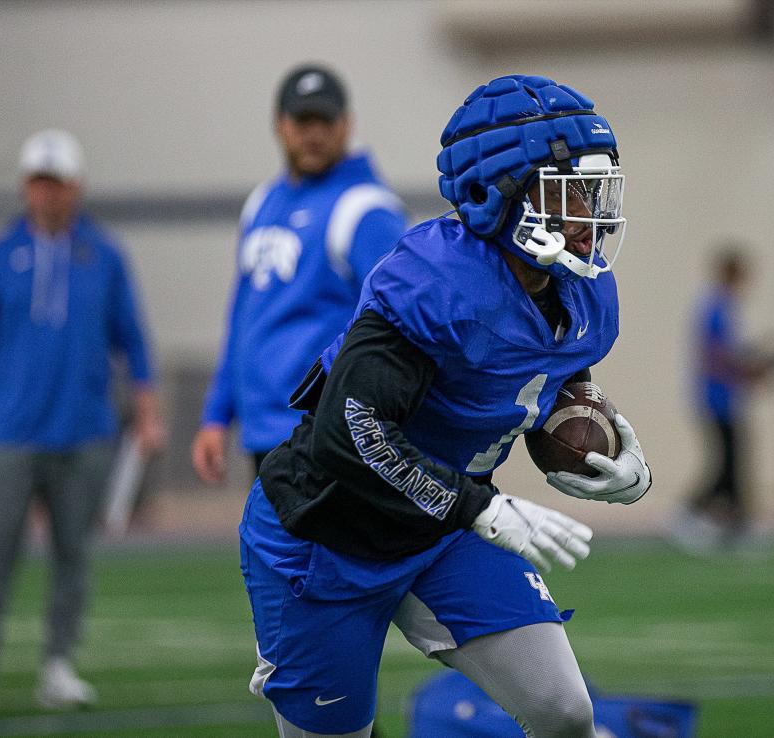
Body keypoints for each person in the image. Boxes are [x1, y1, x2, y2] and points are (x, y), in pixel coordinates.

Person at [239, 75, 652, 738]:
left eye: (592, 188)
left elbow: (560, 369)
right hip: (326, 533)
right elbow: (353, 433)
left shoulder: (580, 289)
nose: (587, 210)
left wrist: (599, 427)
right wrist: (481, 506)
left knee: (564, 710)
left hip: (439, 532)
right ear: (498, 194)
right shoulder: (436, 283)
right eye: (566, 190)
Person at [0, 129, 164, 713]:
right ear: (25, 186)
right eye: (39, 181)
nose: (48, 193)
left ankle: (59, 665)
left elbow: (134, 341)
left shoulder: (105, 256)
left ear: (76, 186)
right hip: (8, 433)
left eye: (57, 181)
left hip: (84, 432)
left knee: (73, 557)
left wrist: (148, 413)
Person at [191, 64, 405, 483]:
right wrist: (217, 414)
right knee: (269, 549)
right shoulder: (262, 202)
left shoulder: (364, 209)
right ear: (279, 124)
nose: (313, 134)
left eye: (324, 121)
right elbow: (243, 316)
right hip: (262, 432)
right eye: (301, 121)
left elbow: (399, 322)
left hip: (324, 435)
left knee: (318, 551)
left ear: (346, 124)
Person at [682, 246, 774, 543]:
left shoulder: (724, 306)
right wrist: (751, 370)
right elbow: (717, 357)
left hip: (726, 397)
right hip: (716, 398)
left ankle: (737, 522)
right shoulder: (715, 307)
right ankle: (692, 513)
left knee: (733, 460)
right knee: (727, 462)